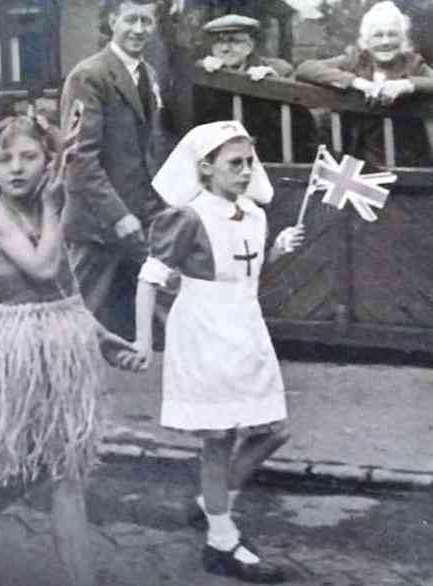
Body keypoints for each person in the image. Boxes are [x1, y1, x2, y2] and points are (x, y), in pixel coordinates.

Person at [0, 116, 141, 586]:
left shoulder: (51, 207)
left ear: (48, 161)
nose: (16, 168)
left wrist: (102, 338)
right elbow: (41, 268)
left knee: (51, 468)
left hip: (61, 336)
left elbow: (67, 287)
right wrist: (50, 205)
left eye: (28, 157)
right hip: (18, 345)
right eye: (5, 159)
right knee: (49, 469)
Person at [134, 120, 305, 584]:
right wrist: (143, 342)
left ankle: (214, 508)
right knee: (218, 437)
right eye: (235, 163)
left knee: (274, 429)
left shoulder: (255, 214)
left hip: (247, 327)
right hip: (204, 330)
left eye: (250, 162)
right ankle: (222, 540)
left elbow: (244, 275)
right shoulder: (188, 216)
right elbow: (150, 277)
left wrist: (276, 252)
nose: (246, 171)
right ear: (206, 168)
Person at [60, 0, 167, 341]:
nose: (139, 29)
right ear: (112, 21)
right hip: (97, 225)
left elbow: (147, 148)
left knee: (169, 298)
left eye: (146, 21)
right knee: (76, 318)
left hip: (142, 215)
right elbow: (79, 159)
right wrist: (117, 215)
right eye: (130, 19)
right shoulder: (89, 75)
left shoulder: (147, 74)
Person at [296, 1, 433, 168]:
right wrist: (357, 82)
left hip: (407, 160)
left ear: (402, 39)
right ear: (366, 41)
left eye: (392, 34)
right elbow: (305, 68)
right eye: (378, 35)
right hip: (359, 159)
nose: (385, 42)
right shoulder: (355, 61)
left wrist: (408, 84)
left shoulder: (412, 64)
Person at [194, 14, 317, 163]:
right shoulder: (204, 70)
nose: (225, 48)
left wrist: (273, 86)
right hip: (223, 159)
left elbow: (303, 126)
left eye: (234, 41)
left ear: (250, 46)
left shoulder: (279, 69)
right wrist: (207, 76)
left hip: (270, 159)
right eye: (218, 42)